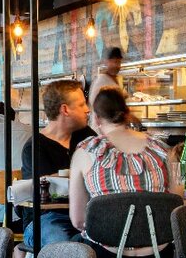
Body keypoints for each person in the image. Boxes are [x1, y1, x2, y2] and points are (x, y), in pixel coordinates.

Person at [69, 88, 170, 257]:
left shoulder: (87, 151)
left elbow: (78, 220)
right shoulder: (160, 150)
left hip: (106, 252)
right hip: (159, 250)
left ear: (96, 118)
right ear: (127, 113)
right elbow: (175, 205)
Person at [20, 80, 95, 249]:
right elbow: (47, 191)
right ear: (65, 109)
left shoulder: (86, 136)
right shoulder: (35, 147)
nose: (87, 109)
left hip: (87, 214)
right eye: (82, 104)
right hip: (45, 219)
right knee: (63, 245)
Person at [88, 47, 126, 131]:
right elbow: (94, 103)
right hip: (102, 129)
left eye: (119, 62)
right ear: (107, 62)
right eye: (114, 62)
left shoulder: (116, 80)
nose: (116, 65)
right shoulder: (101, 80)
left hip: (114, 129)